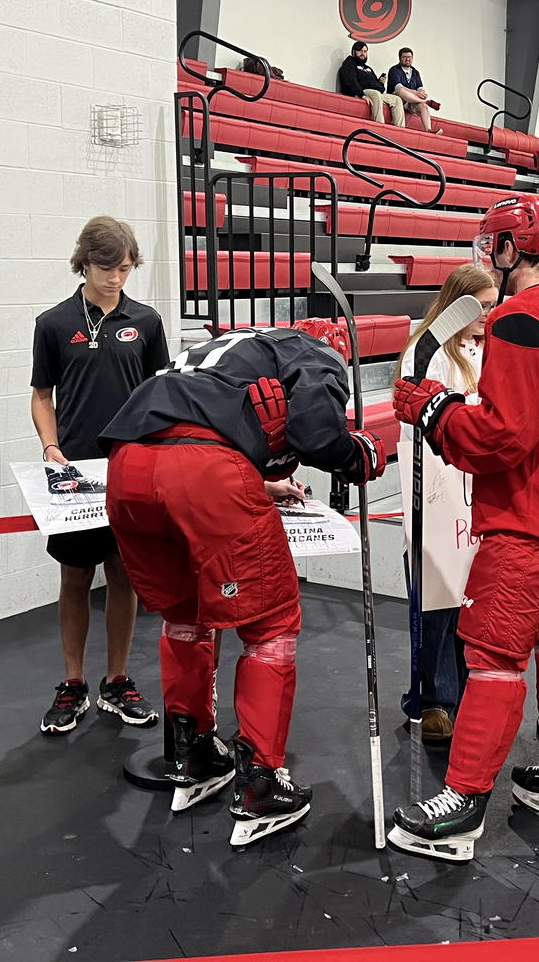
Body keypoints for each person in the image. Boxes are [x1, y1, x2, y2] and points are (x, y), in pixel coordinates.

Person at [389, 194, 539, 860]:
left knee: (490, 657)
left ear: (512, 250)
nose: (488, 256)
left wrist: (434, 411)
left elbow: (501, 437)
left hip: (533, 519)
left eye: (493, 246)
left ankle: (462, 804)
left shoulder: (521, 317)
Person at [99, 320, 386, 846]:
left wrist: (254, 478)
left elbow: (196, 427)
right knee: (270, 625)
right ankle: (260, 785)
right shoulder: (314, 352)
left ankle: (192, 752)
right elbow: (317, 433)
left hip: (127, 467)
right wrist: (358, 454)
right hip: (203, 472)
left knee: (184, 617)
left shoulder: (231, 348)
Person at [30, 217, 169, 736]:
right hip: (76, 471)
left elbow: (161, 392)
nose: (116, 278)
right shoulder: (52, 322)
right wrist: (50, 446)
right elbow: (41, 395)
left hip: (132, 468)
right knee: (74, 576)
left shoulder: (147, 322)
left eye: (126, 268)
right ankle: (72, 683)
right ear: (84, 262)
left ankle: (116, 679)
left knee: (124, 575)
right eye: (107, 267)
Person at [395, 264, 498, 743]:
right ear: (458, 303)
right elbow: (426, 418)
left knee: (466, 599)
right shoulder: (427, 351)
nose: (488, 314)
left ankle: (456, 689)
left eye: (492, 304)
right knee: (436, 602)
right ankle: (433, 697)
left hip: (475, 488)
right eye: (480, 305)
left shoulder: (487, 348)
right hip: (435, 491)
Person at [337, 42, 405, 127]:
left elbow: (380, 89)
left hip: (373, 92)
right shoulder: (349, 64)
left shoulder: (368, 68)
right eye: (360, 51)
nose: (363, 54)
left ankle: (400, 129)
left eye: (365, 51)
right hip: (359, 92)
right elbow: (351, 81)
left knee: (397, 99)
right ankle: (379, 126)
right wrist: (362, 95)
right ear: (354, 51)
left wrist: (380, 83)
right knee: (376, 94)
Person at [386, 48, 443, 134]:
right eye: (404, 57)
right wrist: (416, 93)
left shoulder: (415, 72)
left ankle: (429, 130)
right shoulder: (394, 70)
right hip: (397, 99)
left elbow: (420, 87)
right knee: (401, 91)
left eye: (409, 57)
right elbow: (398, 88)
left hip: (411, 101)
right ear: (399, 58)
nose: (407, 59)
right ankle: (427, 101)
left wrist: (422, 94)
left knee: (423, 106)